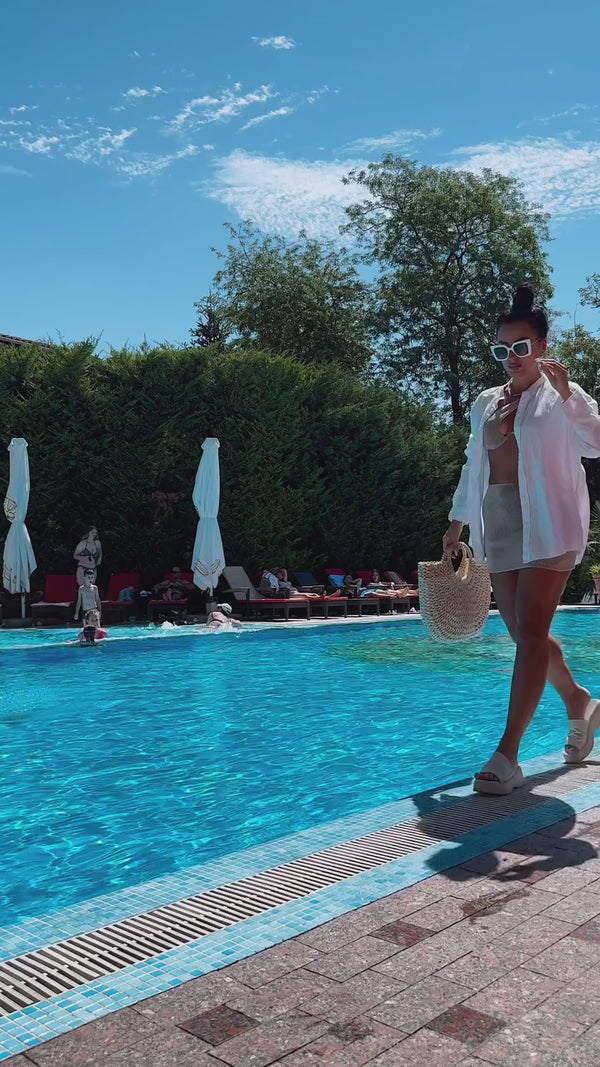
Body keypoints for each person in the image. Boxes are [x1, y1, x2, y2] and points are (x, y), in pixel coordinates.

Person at [443, 284, 600, 795]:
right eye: (502, 349)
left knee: (531, 631)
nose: (512, 357)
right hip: (500, 522)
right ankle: (578, 701)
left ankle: (507, 755)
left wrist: (570, 394)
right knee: (523, 634)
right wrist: (456, 522)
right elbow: (474, 464)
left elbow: (595, 443)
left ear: (542, 344)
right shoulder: (485, 402)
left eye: (521, 346)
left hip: (550, 521)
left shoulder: (564, 395)